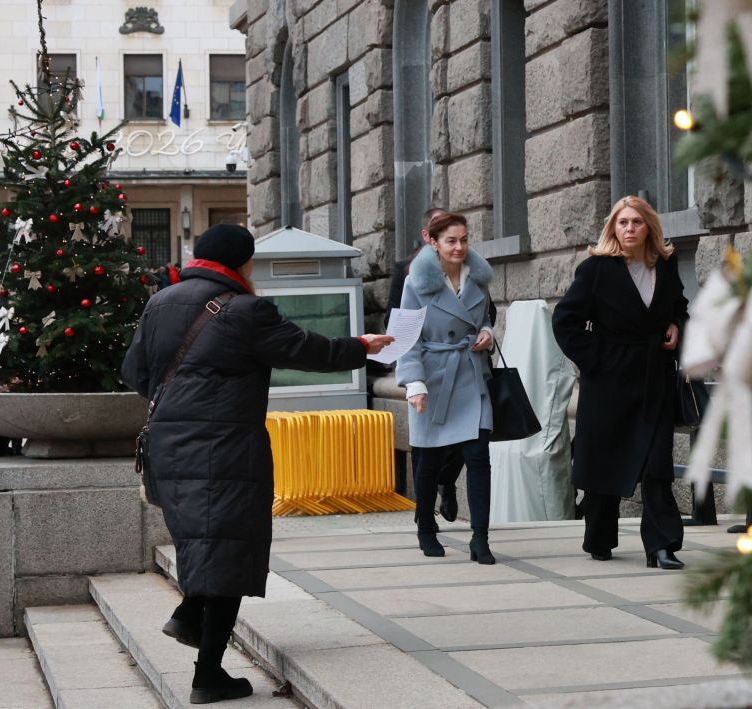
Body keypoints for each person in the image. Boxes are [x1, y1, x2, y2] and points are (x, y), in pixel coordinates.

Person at [122, 223, 391, 704]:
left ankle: (189, 613)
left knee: (208, 542)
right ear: (241, 263)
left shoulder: (161, 302)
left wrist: (182, 405)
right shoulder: (245, 310)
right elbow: (304, 348)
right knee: (228, 551)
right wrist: (359, 347)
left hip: (170, 444)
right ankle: (207, 677)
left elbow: (135, 372)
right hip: (224, 446)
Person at [552, 196, 690, 570]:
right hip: (608, 381)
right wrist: (597, 359)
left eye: (636, 223)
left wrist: (677, 325)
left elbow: (679, 304)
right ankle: (599, 536)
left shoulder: (665, 262)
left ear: (649, 227)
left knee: (656, 464)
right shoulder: (596, 269)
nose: (629, 229)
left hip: (653, 377)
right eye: (622, 222)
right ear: (613, 227)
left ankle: (662, 546)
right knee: (604, 463)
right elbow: (565, 321)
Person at [395, 212, 498, 564]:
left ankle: (480, 538)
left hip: (471, 373)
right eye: (451, 241)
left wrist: (487, 333)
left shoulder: (479, 278)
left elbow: (483, 318)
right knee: (430, 459)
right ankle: (425, 524)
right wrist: (415, 383)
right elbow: (407, 338)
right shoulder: (416, 283)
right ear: (433, 242)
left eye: (464, 239)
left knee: (478, 457)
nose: (459, 247)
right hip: (432, 377)